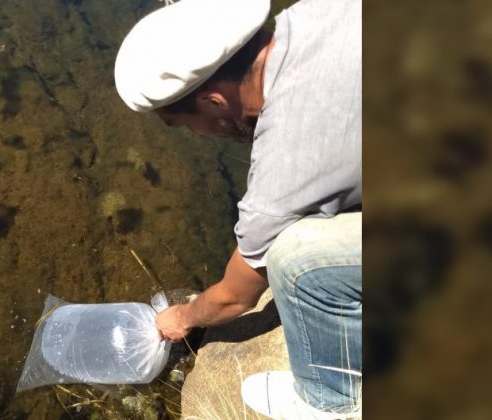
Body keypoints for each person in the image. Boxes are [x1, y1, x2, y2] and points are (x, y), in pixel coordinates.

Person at [114, 0, 361, 418]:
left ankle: (332, 399)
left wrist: (185, 317)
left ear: (213, 102)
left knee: (295, 259)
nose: (198, 134)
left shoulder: (287, 157)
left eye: (183, 124)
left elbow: (237, 296)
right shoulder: (322, 10)